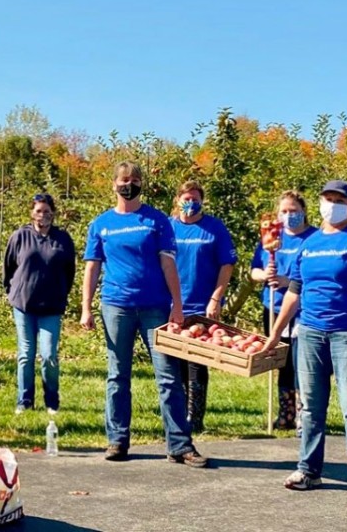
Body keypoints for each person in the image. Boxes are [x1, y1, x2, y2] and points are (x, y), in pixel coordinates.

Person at [260, 180, 347, 504]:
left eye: (339, 199)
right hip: (310, 333)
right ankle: (308, 470)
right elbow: (294, 292)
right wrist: (276, 333)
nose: (332, 204)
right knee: (311, 408)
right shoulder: (310, 243)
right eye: (327, 198)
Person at [80, 161, 207, 467]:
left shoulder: (157, 221)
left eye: (135, 180)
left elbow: (168, 264)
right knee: (117, 376)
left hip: (155, 307)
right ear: (114, 185)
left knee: (167, 377)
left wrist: (177, 305)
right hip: (116, 306)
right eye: (124, 180)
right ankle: (117, 440)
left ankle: (180, 444)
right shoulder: (101, 224)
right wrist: (85, 307)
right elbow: (92, 267)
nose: (130, 184)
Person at [170, 180, 237, 432]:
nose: (190, 202)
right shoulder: (169, 227)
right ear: (178, 200)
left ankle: (195, 418)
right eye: (186, 198)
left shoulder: (213, 228)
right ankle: (177, 416)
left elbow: (227, 264)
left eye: (195, 198)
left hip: (201, 305)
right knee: (174, 365)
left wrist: (216, 298)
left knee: (197, 363)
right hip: (172, 305)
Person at [3, 193, 76, 416]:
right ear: (31, 212)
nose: (42, 215)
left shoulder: (62, 239)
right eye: (38, 211)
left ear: (52, 213)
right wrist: (12, 292)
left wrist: (61, 293)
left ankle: (51, 400)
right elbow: (9, 267)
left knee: (49, 355)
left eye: (46, 211)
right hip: (24, 304)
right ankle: (24, 401)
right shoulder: (19, 236)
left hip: (51, 307)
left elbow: (69, 271)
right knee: (25, 354)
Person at [251, 190, 317, 433]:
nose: (289, 216)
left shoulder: (314, 238)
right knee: (282, 362)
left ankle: (304, 415)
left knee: (303, 362)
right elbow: (254, 271)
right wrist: (265, 276)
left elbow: (313, 276)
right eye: (284, 211)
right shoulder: (272, 237)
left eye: (294, 211)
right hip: (274, 307)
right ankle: (285, 414)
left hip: (303, 310)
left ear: (303, 212)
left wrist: (287, 280)